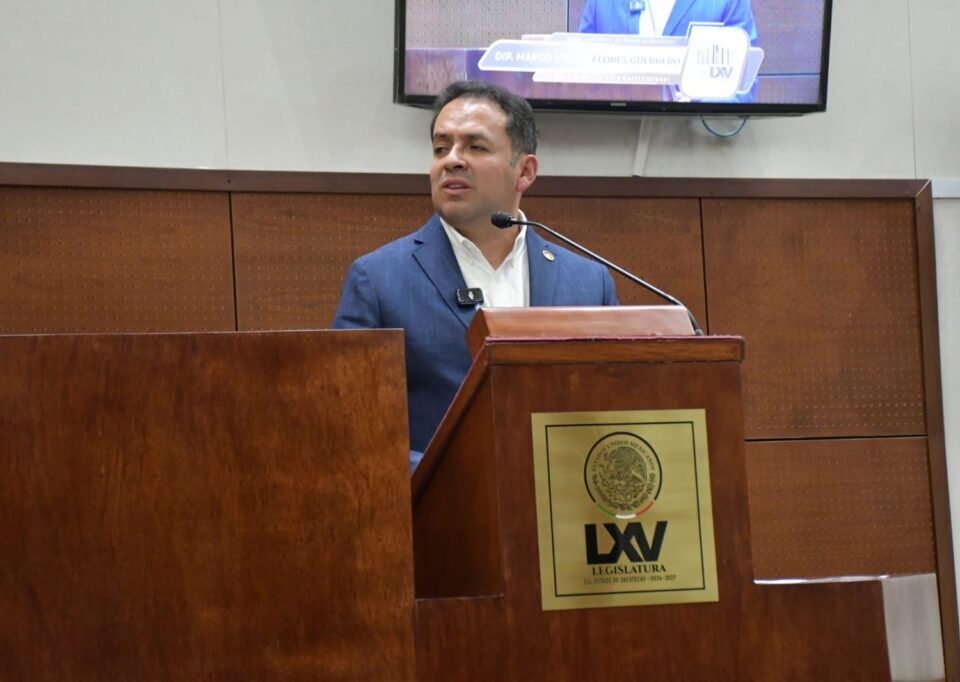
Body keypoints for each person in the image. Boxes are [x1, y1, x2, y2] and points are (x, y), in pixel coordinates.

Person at [333, 80, 618, 471]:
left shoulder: (588, 282)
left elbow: (612, 414)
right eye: (441, 148)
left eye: (475, 147)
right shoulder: (379, 280)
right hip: (439, 504)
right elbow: (352, 428)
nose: (452, 160)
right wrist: (459, 478)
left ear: (525, 171)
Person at [578, 0, 759, 102]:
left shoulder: (729, 2)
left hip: (694, 146)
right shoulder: (601, 4)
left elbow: (743, 89)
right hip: (613, 146)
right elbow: (580, 79)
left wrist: (692, 109)